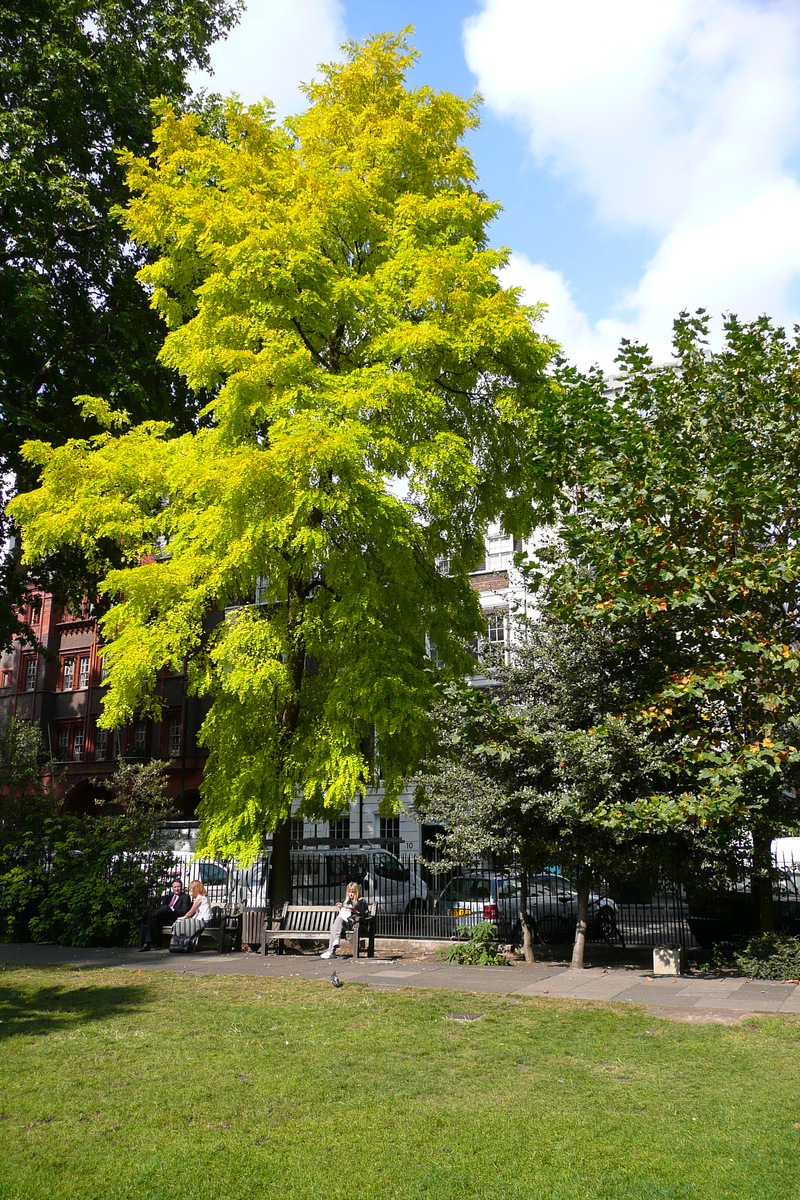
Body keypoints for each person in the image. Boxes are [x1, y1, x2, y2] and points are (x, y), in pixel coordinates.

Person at [139, 876, 191, 951]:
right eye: (175, 887)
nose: (177, 889)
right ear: (172, 888)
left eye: (178, 887)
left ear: (181, 887)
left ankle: (145, 916)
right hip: (164, 918)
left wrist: (172, 910)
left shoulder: (185, 897)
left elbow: (184, 911)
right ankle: (147, 944)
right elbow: (161, 910)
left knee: (166, 907)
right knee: (153, 919)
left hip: (175, 917)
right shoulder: (169, 897)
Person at [320, 881, 368, 959]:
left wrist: (354, 910)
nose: (350, 894)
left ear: (357, 892)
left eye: (353, 892)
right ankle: (334, 944)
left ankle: (331, 950)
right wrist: (341, 908)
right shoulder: (347, 901)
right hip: (346, 923)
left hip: (356, 924)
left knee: (335, 927)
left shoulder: (361, 901)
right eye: (349, 892)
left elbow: (364, 914)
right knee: (336, 924)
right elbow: (343, 915)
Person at [169, 879, 213, 944]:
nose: (191, 891)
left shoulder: (199, 898)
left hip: (203, 921)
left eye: (191, 889)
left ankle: (182, 942)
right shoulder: (204, 896)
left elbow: (190, 913)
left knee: (181, 923)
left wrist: (182, 918)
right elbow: (197, 912)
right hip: (205, 920)